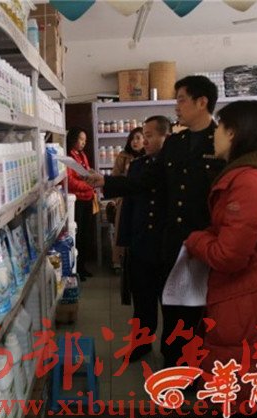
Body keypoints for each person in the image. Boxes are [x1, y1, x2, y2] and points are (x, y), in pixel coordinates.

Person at [86, 76, 226, 367]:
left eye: (181, 100)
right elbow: (147, 181)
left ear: (202, 102)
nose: (177, 106)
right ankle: (171, 362)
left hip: (204, 241)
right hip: (171, 240)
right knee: (171, 307)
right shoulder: (176, 144)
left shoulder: (222, 140)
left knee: (195, 311)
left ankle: (189, 366)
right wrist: (107, 182)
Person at [184, 101, 257, 409]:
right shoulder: (253, 174)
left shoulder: (249, 182)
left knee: (251, 404)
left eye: (219, 128)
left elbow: (228, 256)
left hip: (249, 306)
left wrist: (196, 240)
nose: (214, 135)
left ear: (233, 132)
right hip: (246, 300)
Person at [120, 116, 171, 360]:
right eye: (144, 135)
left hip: (166, 246)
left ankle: (171, 350)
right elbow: (129, 205)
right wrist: (125, 240)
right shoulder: (138, 166)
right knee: (142, 300)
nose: (144, 141)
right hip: (141, 243)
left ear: (165, 137)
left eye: (150, 136)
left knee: (170, 304)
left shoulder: (175, 166)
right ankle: (141, 344)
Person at [111, 127, 144, 269]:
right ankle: (120, 262)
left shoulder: (148, 157)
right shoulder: (123, 156)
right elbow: (115, 178)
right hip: (125, 199)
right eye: (132, 139)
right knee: (123, 231)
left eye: (138, 138)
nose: (134, 142)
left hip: (142, 202)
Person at [66, 126, 95, 281]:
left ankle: (82, 267)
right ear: (73, 139)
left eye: (85, 140)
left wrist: (91, 176)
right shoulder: (69, 158)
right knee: (78, 234)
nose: (83, 143)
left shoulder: (82, 155)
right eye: (81, 139)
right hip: (78, 201)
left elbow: (87, 173)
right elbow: (70, 182)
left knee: (86, 235)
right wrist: (89, 185)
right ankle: (76, 269)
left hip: (88, 199)